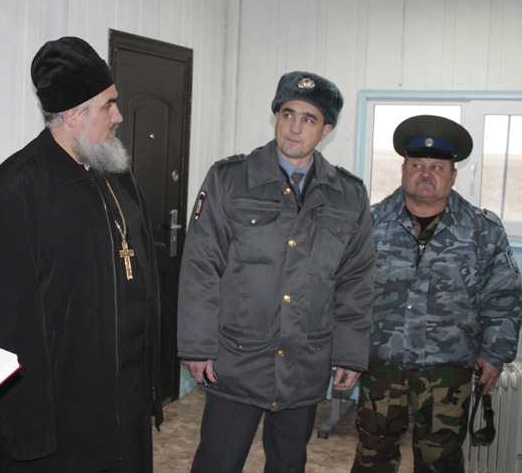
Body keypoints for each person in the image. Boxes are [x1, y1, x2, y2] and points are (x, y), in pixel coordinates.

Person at [0, 36, 163, 472]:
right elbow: (10, 328)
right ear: (73, 114)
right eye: (108, 105)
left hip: (128, 400)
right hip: (66, 418)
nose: (118, 116)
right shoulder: (15, 189)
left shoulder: (114, 171)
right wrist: (29, 434)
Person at [178, 71, 377, 472]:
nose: (295, 127)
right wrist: (196, 346)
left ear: (326, 130)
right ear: (276, 117)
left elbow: (355, 280)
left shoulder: (348, 194)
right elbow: (201, 265)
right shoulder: (230, 179)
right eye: (288, 114)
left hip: (305, 359)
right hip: (238, 357)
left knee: (288, 463)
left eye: (308, 119)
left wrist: (350, 353)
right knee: (217, 461)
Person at [352, 115, 522, 472]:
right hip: (381, 364)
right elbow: (347, 290)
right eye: (417, 165)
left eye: (437, 167)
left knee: (440, 461)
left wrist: (495, 354)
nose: (426, 174)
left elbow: (503, 297)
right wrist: (343, 350)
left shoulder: (482, 229)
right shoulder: (369, 224)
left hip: (448, 369)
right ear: (404, 170)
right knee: (373, 456)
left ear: (453, 175)